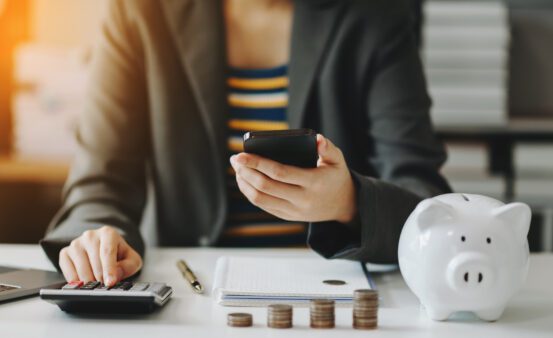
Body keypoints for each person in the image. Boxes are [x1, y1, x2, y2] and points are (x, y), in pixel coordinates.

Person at [40, 0, 451, 287]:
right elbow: (100, 179)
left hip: (336, 291)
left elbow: (424, 197)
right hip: (192, 290)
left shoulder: (377, 12)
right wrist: (98, 235)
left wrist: (348, 202)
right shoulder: (141, 9)